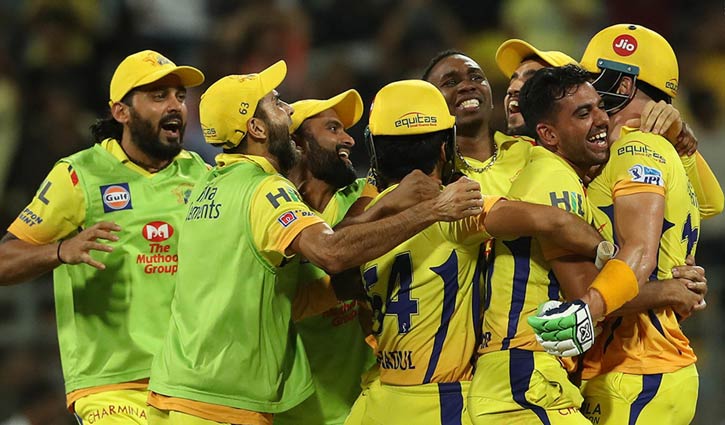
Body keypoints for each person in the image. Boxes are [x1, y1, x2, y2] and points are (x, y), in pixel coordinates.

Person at [146, 61, 486, 425]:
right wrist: (434, 210)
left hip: (177, 388)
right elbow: (332, 252)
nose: (288, 111)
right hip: (220, 399)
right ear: (257, 128)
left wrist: (354, 279)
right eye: (277, 104)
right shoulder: (266, 189)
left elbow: (287, 296)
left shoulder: (208, 185)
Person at [352, 78, 615, 425]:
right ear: (446, 148)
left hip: (378, 399)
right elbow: (553, 221)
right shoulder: (454, 211)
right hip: (443, 400)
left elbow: (337, 277)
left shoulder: (364, 227)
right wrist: (610, 253)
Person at [0, 50, 207, 424]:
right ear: (121, 111)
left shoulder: (202, 176)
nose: (175, 105)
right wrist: (61, 250)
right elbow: (4, 261)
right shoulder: (79, 175)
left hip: (190, 382)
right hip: (111, 387)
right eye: (158, 96)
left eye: (179, 96)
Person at [574, 24, 713, 424]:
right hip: (634, 366)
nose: (586, 91)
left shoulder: (635, 148)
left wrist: (581, 310)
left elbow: (638, 257)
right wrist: (682, 140)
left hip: (636, 365)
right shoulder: (657, 149)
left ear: (622, 84)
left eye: (593, 78)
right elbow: (712, 204)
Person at [274, 89, 377, 425]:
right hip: (286, 410)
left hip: (362, 404)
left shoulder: (363, 198)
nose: (348, 139)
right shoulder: (268, 206)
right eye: (333, 129)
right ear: (298, 143)